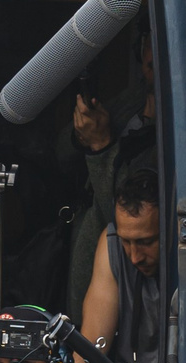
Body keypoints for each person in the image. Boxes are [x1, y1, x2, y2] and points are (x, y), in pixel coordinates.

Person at [64, 41, 158, 318]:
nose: (152, 61)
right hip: (88, 241)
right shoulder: (132, 102)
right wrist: (83, 134)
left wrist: (103, 147)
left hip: (129, 280)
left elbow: (127, 216)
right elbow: (59, 152)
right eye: (147, 48)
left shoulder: (180, 122)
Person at [77, 163, 166, 363]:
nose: (135, 256)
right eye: (127, 242)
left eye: (146, 242)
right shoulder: (111, 244)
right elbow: (91, 346)